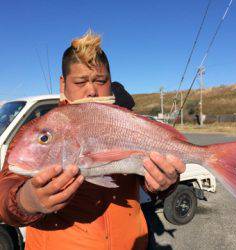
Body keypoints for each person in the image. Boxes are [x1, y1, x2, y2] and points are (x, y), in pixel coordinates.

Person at [0, 31, 185, 250]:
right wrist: (26, 200)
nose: (91, 90)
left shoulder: (126, 123)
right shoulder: (40, 129)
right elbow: (6, 183)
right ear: (63, 84)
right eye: (80, 82)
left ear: (110, 81)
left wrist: (163, 184)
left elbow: (144, 180)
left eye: (101, 80)